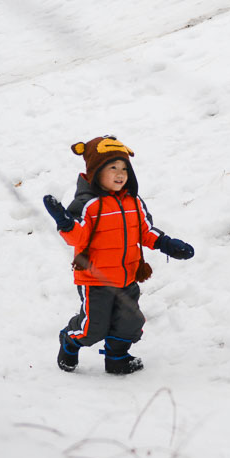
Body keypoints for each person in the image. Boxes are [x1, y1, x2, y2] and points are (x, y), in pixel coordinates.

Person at [42, 135, 194, 374]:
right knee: (93, 328)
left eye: (124, 168)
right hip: (95, 280)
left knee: (131, 322)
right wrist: (64, 221)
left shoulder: (133, 201)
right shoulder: (87, 204)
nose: (120, 173)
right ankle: (69, 341)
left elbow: (145, 231)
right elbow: (78, 238)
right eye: (112, 167)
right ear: (95, 171)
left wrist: (166, 244)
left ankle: (116, 359)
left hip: (128, 277)